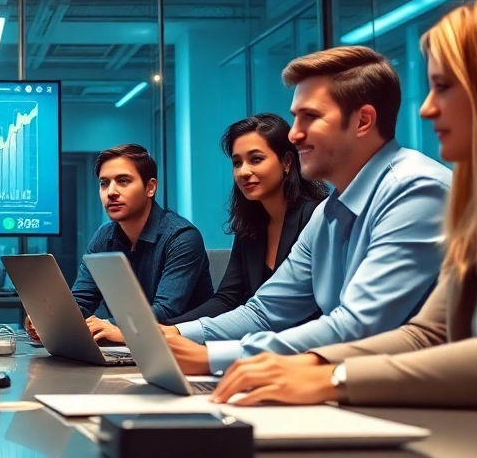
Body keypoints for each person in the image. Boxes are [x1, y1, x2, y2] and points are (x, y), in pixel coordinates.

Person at [209, 0, 477, 438]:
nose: (426, 108)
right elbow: (429, 334)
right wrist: (309, 364)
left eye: (445, 87)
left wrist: (333, 379)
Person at [164, 46, 451, 375]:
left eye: (310, 117)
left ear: (363, 121)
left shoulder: (415, 190)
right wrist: (175, 335)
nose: (293, 133)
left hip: (415, 401)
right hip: (354, 386)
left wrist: (216, 358)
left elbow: (359, 325)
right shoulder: (328, 212)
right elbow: (265, 311)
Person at [89, 114, 326, 344]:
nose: (243, 171)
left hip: (310, 352)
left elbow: (291, 312)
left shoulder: (317, 218)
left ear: (286, 163)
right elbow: (227, 299)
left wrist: (152, 334)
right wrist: (166, 332)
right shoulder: (251, 228)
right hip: (256, 348)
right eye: (236, 162)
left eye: (256, 159)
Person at [23, 144, 211, 343]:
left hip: (182, 350)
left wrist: (110, 326)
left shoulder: (182, 237)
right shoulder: (104, 237)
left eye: (123, 181)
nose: (111, 192)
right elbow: (82, 299)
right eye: (104, 183)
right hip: (127, 349)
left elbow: (165, 311)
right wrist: (51, 320)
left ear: (150, 187)